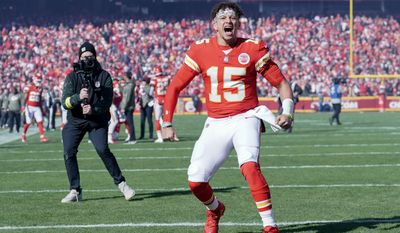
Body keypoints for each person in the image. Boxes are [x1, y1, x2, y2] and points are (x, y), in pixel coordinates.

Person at [162, 2, 294, 233]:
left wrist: (287, 111)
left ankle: (270, 226)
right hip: (216, 121)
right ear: (214, 24)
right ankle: (215, 209)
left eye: (233, 17)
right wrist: (167, 122)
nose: (228, 21)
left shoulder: (252, 48)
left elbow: (281, 82)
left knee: (250, 166)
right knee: (195, 181)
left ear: (238, 23)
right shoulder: (200, 49)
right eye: (223, 17)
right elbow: (175, 86)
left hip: (246, 117)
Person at [61, 41, 135, 203]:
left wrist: (93, 109)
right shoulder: (72, 77)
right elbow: (64, 102)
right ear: (79, 58)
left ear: (95, 57)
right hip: (76, 120)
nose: (87, 59)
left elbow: (107, 101)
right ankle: (75, 189)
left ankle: (122, 183)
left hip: (97, 121)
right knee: (68, 152)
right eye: (84, 56)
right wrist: (77, 98)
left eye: (90, 56)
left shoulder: (104, 76)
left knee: (103, 149)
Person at [21, 74, 49, 143]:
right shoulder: (28, 87)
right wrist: (23, 106)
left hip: (37, 107)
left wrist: (42, 109)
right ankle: (23, 134)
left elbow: (40, 100)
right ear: (34, 79)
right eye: (38, 80)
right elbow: (25, 97)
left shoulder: (40, 88)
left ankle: (42, 137)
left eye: (40, 80)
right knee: (28, 122)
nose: (39, 82)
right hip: (29, 106)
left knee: (40, 121)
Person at [120, 71, 137, 144]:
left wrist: (124, 106)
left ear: (126, 76)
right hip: (128, 106)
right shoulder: (129, 84)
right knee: (129, 123)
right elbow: (124, 93)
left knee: (130, 123)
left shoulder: (130, 85)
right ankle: (131, 137)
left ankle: (133, 139)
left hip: (128, 107)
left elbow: (127, 97)